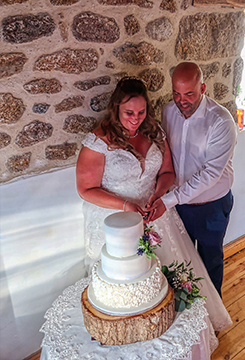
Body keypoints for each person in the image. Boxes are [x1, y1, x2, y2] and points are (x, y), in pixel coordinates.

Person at [76, 76, 232, 332]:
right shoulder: (98, 141)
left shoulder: (155, 131)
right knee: (126, 287)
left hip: (156, 212)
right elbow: (85, 189)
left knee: (173, 276)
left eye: (141, 111)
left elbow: (167, 172)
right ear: (116, 108)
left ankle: (179, 329)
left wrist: (159, 194)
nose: (135, 118)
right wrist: (125, 205)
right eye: (128, 112)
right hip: (115, 220)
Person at [147, 62, 237, 297]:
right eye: (176, 93)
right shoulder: (167, 111)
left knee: (210, 261)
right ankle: (191, 316)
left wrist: (168, 200)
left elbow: (210, 174)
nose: (181, 100)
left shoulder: (221, 122)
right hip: (178, 206)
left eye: (189, 93)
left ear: (203, 88)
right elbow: (167, 155)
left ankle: (214, 315)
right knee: (183, 261)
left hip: (211, 207)